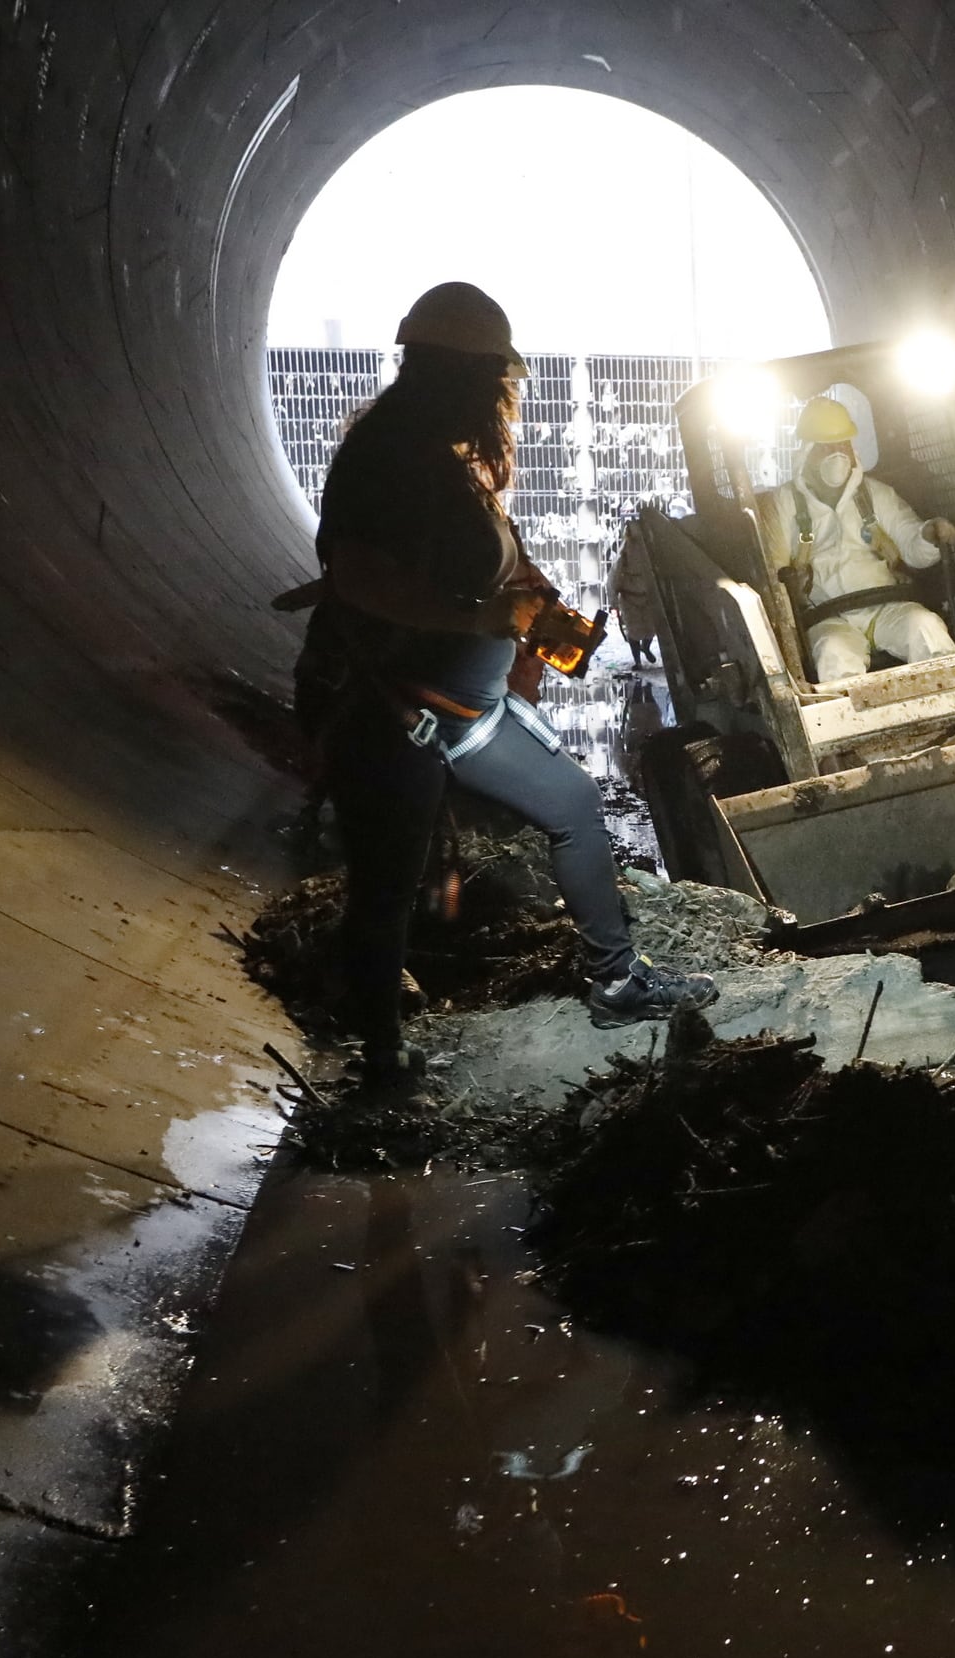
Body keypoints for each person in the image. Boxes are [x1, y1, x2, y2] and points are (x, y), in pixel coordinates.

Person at [303, 280, 714, 1084]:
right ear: (454, 375)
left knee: (571, 804)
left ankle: (617, 981)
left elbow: (489, 564)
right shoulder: (383, 457)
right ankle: (382, 1059)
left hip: (472, 712)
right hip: (399, 721)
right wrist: (483, 619)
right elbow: (356, 577)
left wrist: (535, 614)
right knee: (386, 892)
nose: (503, 397)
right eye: (495, 380)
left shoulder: (445, 458)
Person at [754, 396, 955, 684]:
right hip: (828, 618)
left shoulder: (876, 495)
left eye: (842, 445)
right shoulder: (783, 505)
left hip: (886, 607)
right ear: (807, 452)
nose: (837, 454)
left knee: (928, 631)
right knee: (834, 657)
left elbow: (912, 543)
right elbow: (776, 576)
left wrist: (930, 534)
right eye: (826, 447)